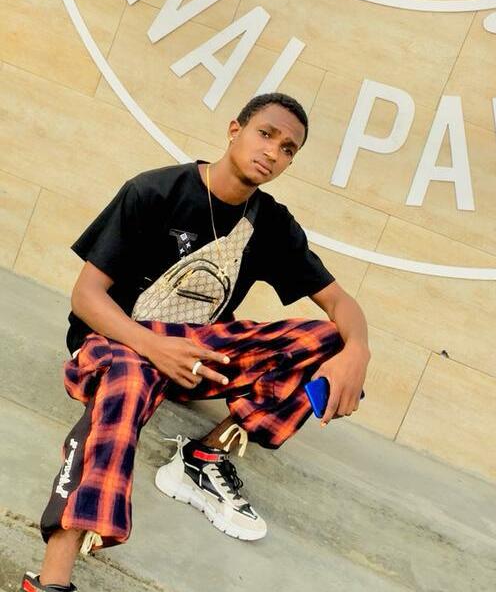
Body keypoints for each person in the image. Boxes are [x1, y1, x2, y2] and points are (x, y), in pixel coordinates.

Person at [21, 93, 370, 592]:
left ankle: (203, 458)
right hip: (116, 341)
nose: (273, 152)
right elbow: (86, 296)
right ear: (234, 130)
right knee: (122, 390)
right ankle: (52, 580)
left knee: (333, 340)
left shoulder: (270, 223)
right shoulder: (155, 191)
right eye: (266, 134)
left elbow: (340, 303)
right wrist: (152, 347)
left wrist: (357, 352)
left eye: (288, 149)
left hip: (196, 355)